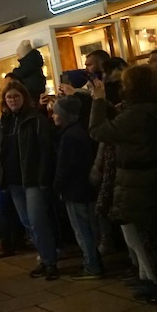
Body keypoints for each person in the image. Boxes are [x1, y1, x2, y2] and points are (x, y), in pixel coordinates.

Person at [89, 65, 157, 304]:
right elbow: (122, 123)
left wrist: (98, 101)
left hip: (141, 181)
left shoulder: (137, 114)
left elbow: (98, 131)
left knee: (149, 238)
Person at [0, 81, 58, 280]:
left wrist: (43, 178)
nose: (12, 100)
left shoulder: (35, 120)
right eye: (9, 97)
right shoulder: (6, 123)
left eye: (16, 96)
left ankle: (50, 261)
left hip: (32, 179)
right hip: (14, 180)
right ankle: (44, 258)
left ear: (24, 97)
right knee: (27, 222)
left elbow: (45, 150)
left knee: (38, 221)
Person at [52, 96, 102, 279]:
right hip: (86, 188)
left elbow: (64, 167)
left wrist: (57, 187)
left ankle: (91, 265)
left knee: (82, 230)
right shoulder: (80, 131)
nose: (53, 116)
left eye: (56, 113)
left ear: (64, 115)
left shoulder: (69, 137)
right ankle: (95, 261)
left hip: (74, 190)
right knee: (90, 228)